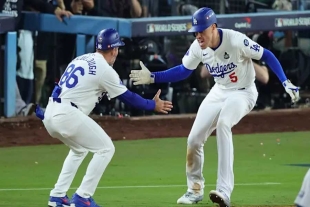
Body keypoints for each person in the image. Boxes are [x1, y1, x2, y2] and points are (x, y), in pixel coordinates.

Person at [129, 7, 300, 207]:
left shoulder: (235, 40)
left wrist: (285, 81)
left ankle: (224, 191)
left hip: (243, 92)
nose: (198, 35)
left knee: (224, 124)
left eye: (202, 30)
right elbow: (184, 70)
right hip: (219, 91)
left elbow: (267, 55)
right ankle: (194, 190)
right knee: (193, 140)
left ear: (213, 28)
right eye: (195, 30)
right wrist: (153, 77)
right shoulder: (197, 46)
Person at [35, 28, 173, 207]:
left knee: (79, 150)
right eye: (117, 49)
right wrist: (153, 105)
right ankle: (83, 197)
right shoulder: (104, 69)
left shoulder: (81, 58)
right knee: (106, 148)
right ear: (114, 50)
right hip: (67, 114)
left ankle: (57, 196)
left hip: (50, 113)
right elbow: (128, 97)